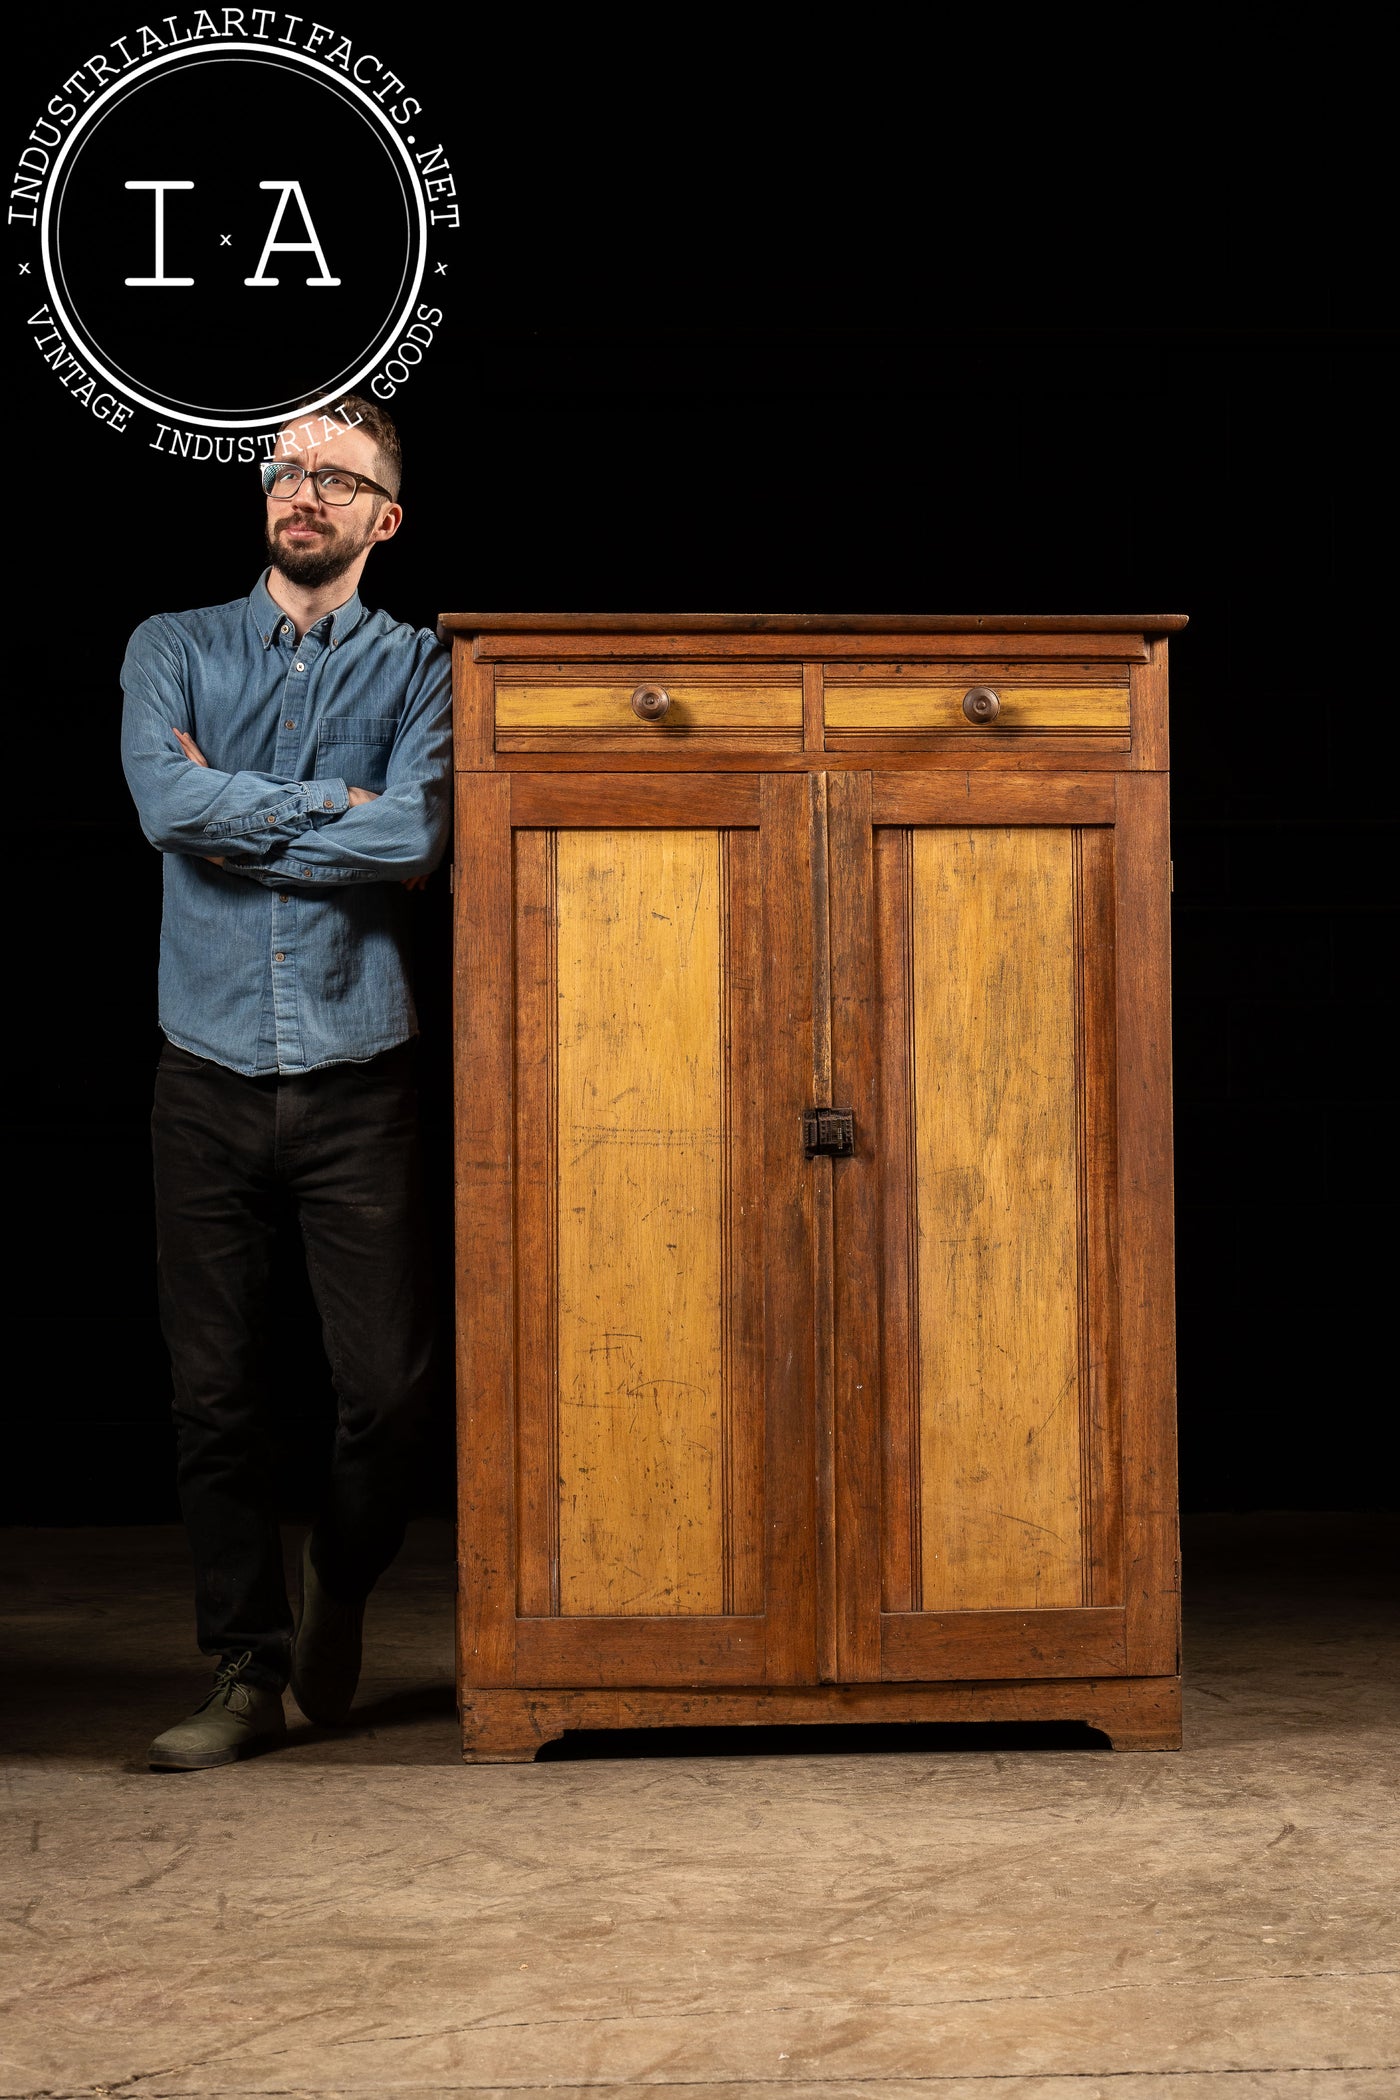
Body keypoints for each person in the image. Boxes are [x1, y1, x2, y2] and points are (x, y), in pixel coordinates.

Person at [120, 396, 451, 1770]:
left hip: (354, 1073)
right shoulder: (173, 648)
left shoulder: (425, 669)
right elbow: (160, 806)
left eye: (334, 474)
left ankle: (341, 1588)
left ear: (384, 516)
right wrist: (336, 814)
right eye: (285, 468)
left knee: (385, 1391)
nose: (298, 488)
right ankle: (245, 1677)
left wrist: (239, 808)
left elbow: (422, 838)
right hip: (199, 1075)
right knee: (217, 1398)